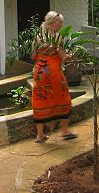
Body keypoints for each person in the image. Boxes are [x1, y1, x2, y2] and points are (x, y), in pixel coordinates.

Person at [30, 11, 76, 143]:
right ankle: (65, 130)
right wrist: (73, 55)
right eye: (60, 22)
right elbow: (64, 57)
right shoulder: (57, 38)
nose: (62, 24)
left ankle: (40, 135)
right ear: (52, 23)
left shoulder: (38, 36)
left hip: (39, 72)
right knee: (63, 99)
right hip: (53, 72)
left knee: (40, 100)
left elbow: (33, 56)